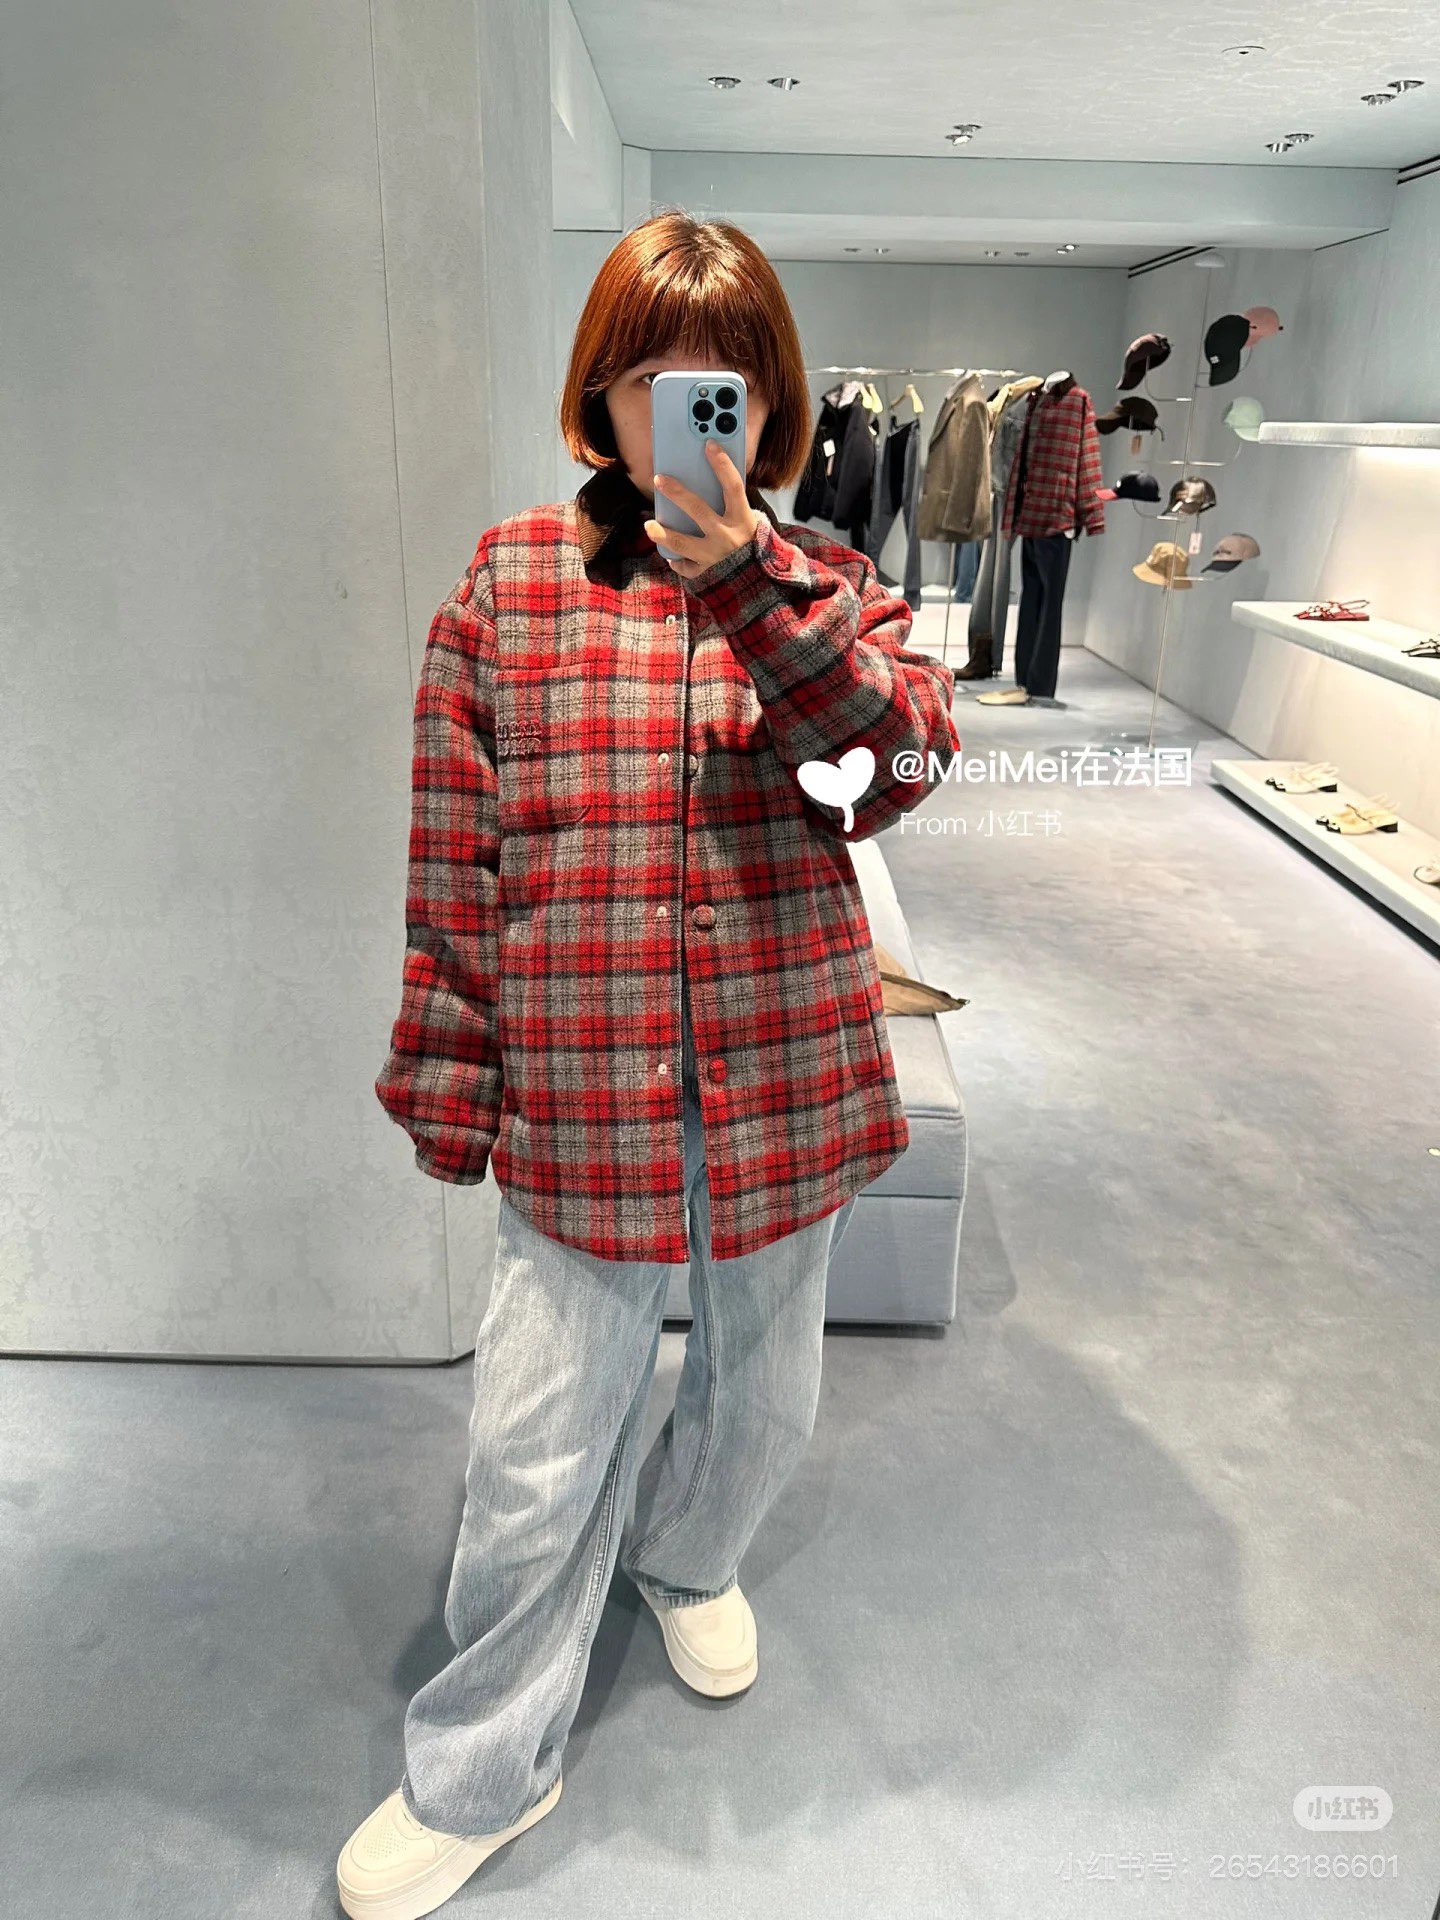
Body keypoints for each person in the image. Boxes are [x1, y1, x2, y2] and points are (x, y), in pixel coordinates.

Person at [336, 209, 959, 1919]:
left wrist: (751, 586)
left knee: (762, 1393)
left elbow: (890, 778)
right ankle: (484, 1764)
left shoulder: (835, 586)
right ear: (603, 400)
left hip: (782, 1065)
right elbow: (457, 858)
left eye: (728, 387)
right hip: (585, 1085)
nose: (692, 417)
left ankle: (686, 1562)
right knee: (536, 1446)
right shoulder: (511, 583)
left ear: (772, 407)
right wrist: (453, 1082)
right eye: (657, 383)